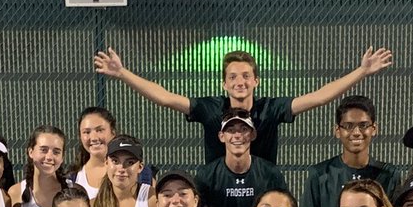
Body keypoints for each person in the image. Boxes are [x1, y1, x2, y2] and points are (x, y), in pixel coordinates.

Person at [93, 46, 393, 164]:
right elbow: (165, 96)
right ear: (224, 83)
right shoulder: (212, 108)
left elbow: (319, 96)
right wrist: (122, 73)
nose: (240, 81)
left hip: (261, 191)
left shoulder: (270, 109)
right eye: (233, 76)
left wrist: (362, 71)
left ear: (256, 81)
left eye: (246, 76)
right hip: (220, 189)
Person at [300, 96, 399, 207]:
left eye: (363, 125)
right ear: (337, 131)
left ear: (374, 129)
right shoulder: (319, 174)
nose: (356, 132)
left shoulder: (389, 175)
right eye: (348, 126)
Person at [71, 106, 117, 201]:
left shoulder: (136, 173)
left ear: (113, 132)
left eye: (100, 130)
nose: (94, 138)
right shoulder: (72, 179)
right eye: (86, 132)